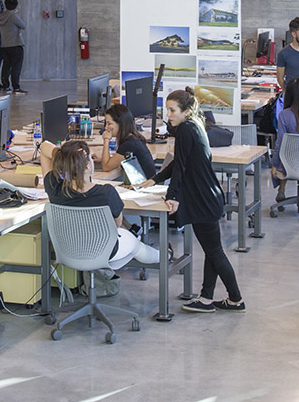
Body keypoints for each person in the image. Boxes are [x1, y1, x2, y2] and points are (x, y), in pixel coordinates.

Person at [146, 88, 243, 313]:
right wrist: (156, 179)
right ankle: (206, 298)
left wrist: (172, 196)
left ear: (186, 111)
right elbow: (179, 162)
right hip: (209, 197)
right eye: (166, 110)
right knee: (212, 251)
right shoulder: (194, 125)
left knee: (215, 252)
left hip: (203, 199)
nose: (167, 115)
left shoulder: (186, 130)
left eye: (172, 110)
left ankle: (236, 299)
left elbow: (180, 167)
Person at [41, 139, 159, 270]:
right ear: (87, 166)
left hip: (69, 252)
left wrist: (66, 156)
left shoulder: (54, 188)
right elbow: (117, 225)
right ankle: (164, 257)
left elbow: (44, 147)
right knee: (135, 244)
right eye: (91, 158)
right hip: (104, 252)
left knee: (129, 242)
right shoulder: (106, 193)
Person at [98, 103, 157, 182]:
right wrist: (103, 158)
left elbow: (106, 167)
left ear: (120, 124)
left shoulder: (129, 144)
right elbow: (116, 161)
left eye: (109, 123)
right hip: (143, 183)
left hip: (143, 187)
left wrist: (106, 140)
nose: (106, 128)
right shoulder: (133, 138)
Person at [0, 0, 27, 94]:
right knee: (16, 67)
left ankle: (5, 86)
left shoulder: (0, 17)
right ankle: (16, 87)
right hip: (15, 44)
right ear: (16, 5)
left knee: (6, 66)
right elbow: (23, 26)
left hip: (4, 45)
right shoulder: (13, 16)